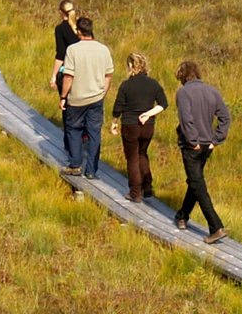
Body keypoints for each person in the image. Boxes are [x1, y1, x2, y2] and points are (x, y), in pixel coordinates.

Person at [172, 59, 231, 243]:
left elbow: (186, 120)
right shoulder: (212, 90)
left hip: (192, 146)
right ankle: (182, 216)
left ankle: (216, 227)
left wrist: (193, 141)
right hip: (207, 146)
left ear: (182, 76)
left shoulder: (183, 93)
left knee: (198, 184)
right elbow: (225, 117)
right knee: (195, 182)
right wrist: (216, 139)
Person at [58, 16, 114, 179]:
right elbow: (108, 75)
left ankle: (75, 165)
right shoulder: (103, 49)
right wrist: (102, 92)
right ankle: (91, 170)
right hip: (96, 98)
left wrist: (63, 96)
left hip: (77, 99)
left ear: (78, 31)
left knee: (74, 130)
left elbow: (68, 77)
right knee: (94, 132)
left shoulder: (73, 50)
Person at [109, 53, 167, 203]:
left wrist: (114, 121)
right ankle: (147, 187)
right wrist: (148, 114)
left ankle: (135, 192)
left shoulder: (126, 85)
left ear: (131, 66)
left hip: (130, 125)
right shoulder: (154, 84)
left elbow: (118, 106)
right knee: (142, 153)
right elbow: (163, 104)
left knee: (132, 158)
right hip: (147, 126)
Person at [50, 0, 79, 157]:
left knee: (66, 107)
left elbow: (60, 54)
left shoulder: (60, 29)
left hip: (68, 72)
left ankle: (70, 146)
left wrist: (54, 75)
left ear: (61, 13)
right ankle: (83, 138)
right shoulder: (81, 26)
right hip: (84, 73)